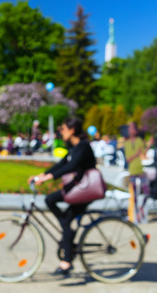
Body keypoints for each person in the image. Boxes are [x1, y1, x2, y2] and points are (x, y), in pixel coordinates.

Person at [28, 118, 96, 275]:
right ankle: (67, 234)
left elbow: (71, 166)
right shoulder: (74, 147)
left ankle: (67, 261)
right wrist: (43, 174)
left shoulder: (83, 146)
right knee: (50, 200)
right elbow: (62, 163)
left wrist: (48, 178)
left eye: (63, 129)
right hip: (78, 188)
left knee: (65, 221)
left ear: (72, 130)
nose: (61, 132)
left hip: (86, 191)